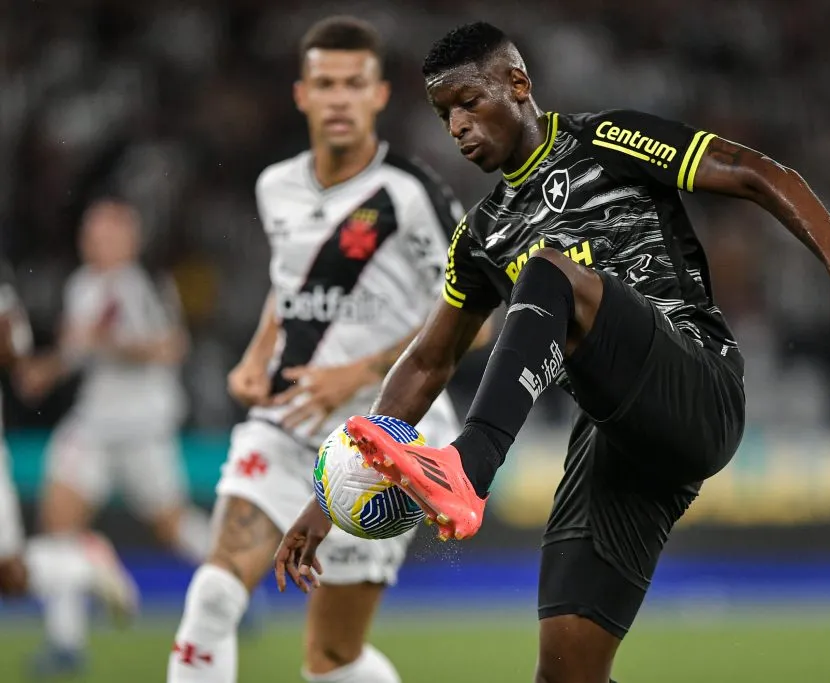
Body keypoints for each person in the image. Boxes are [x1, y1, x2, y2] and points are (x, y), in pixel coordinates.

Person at [275, 21, 830, 683]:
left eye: (468, 102)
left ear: (517, 84)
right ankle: (465, 471)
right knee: (566, 672)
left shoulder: (606, 141)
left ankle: (469, 468)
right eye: (443, 114)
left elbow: (751, 170)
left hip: (698, 385)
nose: (457, 128)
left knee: (550, 271)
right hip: (616, 443)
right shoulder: (480, 235)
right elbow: (427, 362)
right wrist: (330, 497)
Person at [167, 16, 479, 683]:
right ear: (302, 94)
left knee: (331, 658)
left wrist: (358, 375)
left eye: (353, 83)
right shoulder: (275, 186)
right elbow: (290, 283)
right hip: (287, 421)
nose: (339, 97)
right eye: (325, 83)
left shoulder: (413, 194)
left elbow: (477, 317)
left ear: (379, 96)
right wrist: (258, 353)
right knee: (214, 596)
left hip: (384, 441)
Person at [16, 198, 208, 675]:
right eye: (90, 231)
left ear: (129, 239)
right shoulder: (83, 286)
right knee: (58, 519)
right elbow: (81, 347)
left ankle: (233, 582)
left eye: (106, 233)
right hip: (95, 423)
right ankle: (66, 642)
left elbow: (170, 347)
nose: (94, 240)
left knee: (169, 526)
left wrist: (112, 343)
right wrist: (47, 368)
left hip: (144, 427)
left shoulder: (143, 285)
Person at [0, 259, 139, 679]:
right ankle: (81, 562)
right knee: (9, 576)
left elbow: (13, 343)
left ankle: (81, 562)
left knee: (9, 574)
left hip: (129, 419)